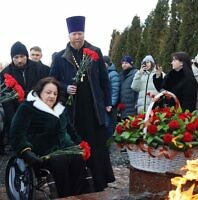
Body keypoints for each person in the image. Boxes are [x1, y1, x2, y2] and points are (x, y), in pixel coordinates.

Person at [49, 16, 115, 192]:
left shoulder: (95, 51)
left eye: (80, 33)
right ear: (69, 35)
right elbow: (51, 80)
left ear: (83, 33)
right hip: (73, 111)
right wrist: (65, 87)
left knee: (97, 146)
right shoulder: (60, 57)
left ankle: (99, 182)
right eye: (74, 34)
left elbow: (104, 80)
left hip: (93, 109)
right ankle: (80, 184)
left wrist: (108, 102)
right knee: (76, 146)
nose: (77, 37)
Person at [9, 77, 88, 198]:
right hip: (40, 151)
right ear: (40, 92)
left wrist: (80, 145)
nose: (52, 96)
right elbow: (17, 132)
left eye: (55, 93)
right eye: (48, 92)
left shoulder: (61, 109)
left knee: (78, 158)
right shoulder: (27, 107)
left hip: (63, 148)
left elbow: (71, 130)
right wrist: (25, 151)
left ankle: (78, 195)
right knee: (60, 161)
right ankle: (65, 196)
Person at [0, 41, 49, 154]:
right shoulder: (5, 73)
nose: (19, 60)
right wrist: (14, 122)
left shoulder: (40, 69)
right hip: (17, 110)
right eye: (16, 57)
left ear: (26, 56)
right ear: (12, 58)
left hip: (37, 108)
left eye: (22, 56)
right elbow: (7, 101)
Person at [103, 55, 120, 137]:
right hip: (105, 104)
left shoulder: (113, 74)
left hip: (110, 106)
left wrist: (111, 104)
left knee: (109, 125)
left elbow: (115, 89)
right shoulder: (105, 72)